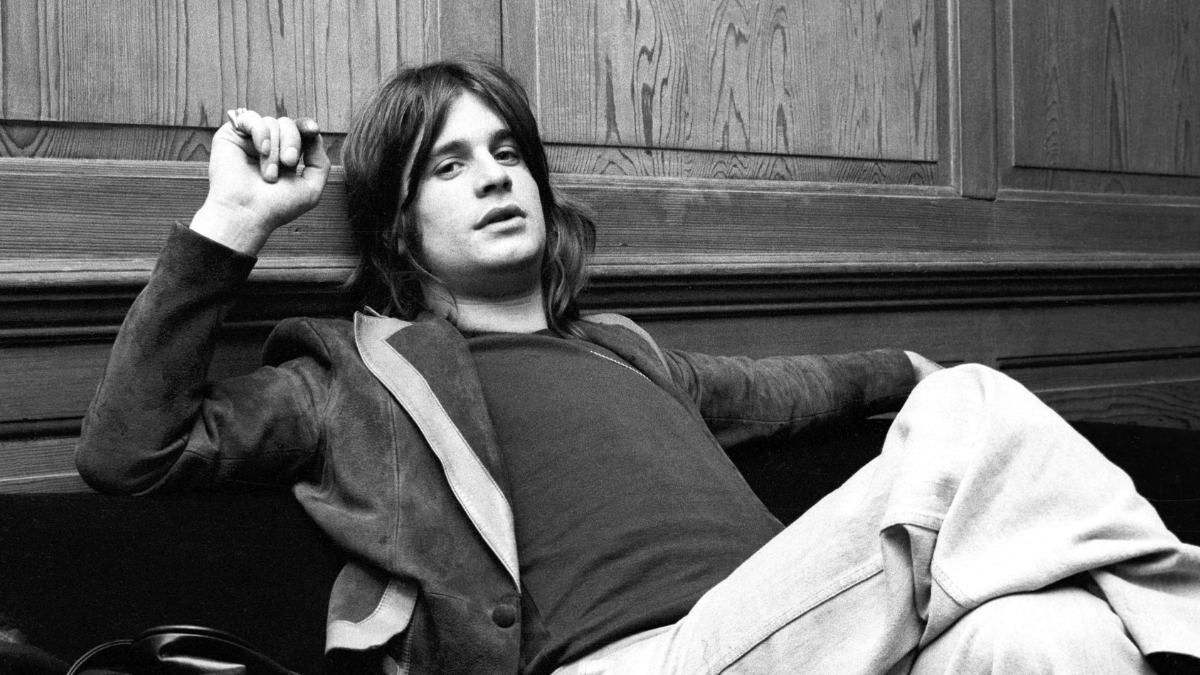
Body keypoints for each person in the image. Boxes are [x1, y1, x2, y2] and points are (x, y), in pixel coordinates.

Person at [76, 58, 1200, 675]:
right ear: (400, 228)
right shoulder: (355, 380)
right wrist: (234, 221)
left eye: (507, 152)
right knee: (976, 406)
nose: (495, 176)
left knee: (1053, 633)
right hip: (634, 663)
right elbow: (131, 449)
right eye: (449, 166)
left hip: (803, 636)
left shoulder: (625, 352)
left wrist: (905, 365)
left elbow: (799, 387)